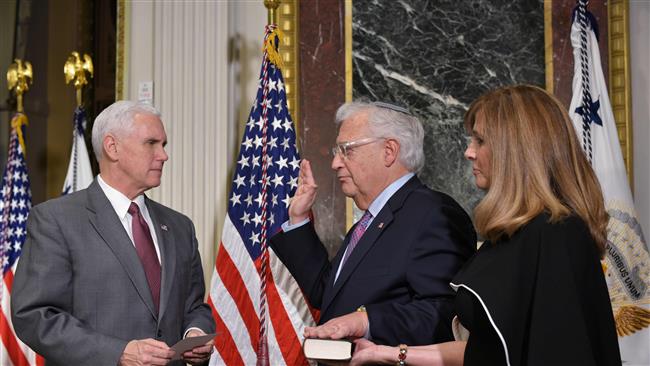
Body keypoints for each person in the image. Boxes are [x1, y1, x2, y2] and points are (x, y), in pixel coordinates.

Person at [349, 85, 621, 365]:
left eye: (480, 141)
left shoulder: (555, 233)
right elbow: (484, 350)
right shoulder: (515, 233)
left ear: (515, 149)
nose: (469, 152)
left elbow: (560, 353)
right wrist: (385, 353)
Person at [12, 101, 215, 366]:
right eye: (151, 143)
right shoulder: (56, 220)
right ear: (112, 147)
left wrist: (195, 332)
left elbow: (194, 307)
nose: (163, 155)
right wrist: (117, 353)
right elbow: (35, 316)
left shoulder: (180, 227)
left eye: (163, 145)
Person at [270, 101, 476, 346]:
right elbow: (328, 294)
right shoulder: (371, 219)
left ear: (389, 151)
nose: (335, 163)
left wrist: (367, 322)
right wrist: (299, 219)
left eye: (347, 150)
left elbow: (445, 314)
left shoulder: (434, 214)